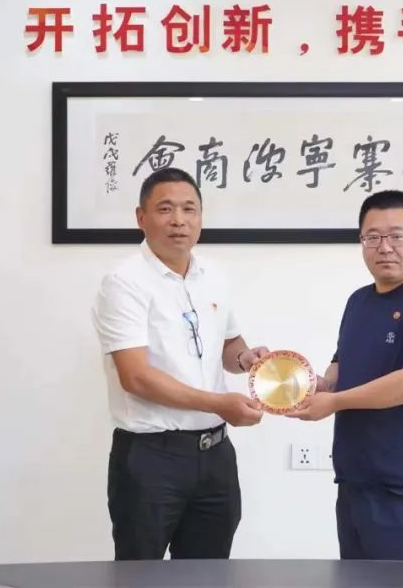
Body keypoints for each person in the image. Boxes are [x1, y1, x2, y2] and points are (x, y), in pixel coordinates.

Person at [92, 167, 269, 560]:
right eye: (165, 209)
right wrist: (219, 403)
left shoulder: (214, 276)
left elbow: (229, 345)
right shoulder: (123, 282)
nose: (179, 220)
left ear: (201, 217)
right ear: (141, 217)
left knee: (209, 574)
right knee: (141, 576)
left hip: (216, 456)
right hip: (152, 457)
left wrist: (247, 359)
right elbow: (136, 377)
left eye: (189, 209)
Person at [289, 190, 403, 561]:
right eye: (372, 237)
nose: (384, 247)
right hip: (355, 483)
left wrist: (334, 402)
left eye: (397, 236)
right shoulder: (359, 301)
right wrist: (315, 385)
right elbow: (341, 366)